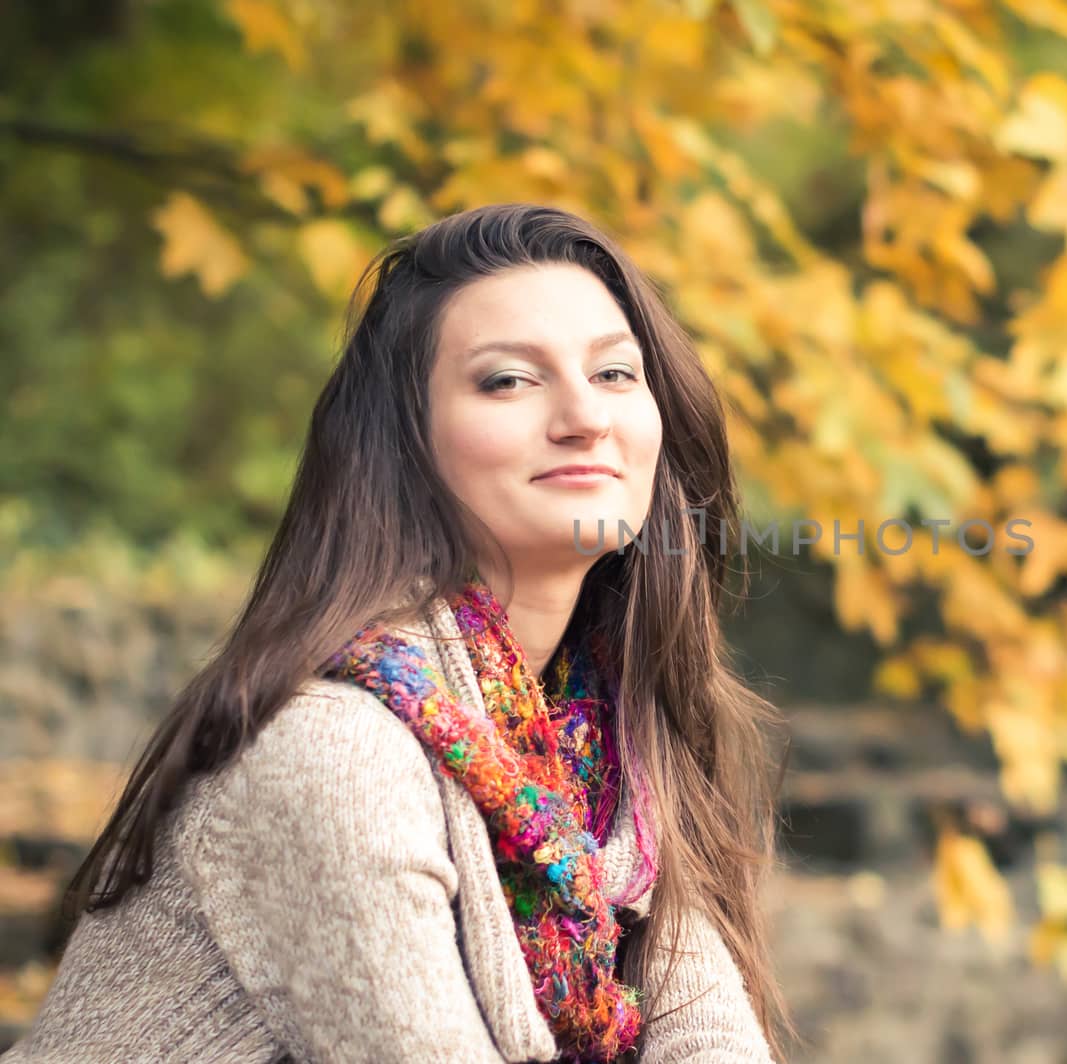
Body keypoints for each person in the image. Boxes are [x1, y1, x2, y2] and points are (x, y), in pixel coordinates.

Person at [3, 203, 793, 1063]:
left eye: (613, 374)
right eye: (508, 381)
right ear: (407, 445)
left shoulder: (608, 775)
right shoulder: (335, 752)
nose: (584, 417)